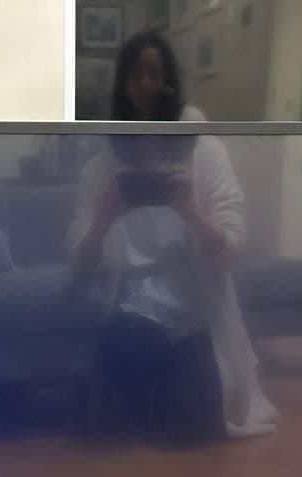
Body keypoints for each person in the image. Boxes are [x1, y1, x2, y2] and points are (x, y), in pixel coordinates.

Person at [69, 33, 277, 447]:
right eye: (136, 74)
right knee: (111, 428)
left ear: (168, 82)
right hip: (132, 304)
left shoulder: (206, 151)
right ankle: (150, 393)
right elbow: (81, 260)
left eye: (155, 74)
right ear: (123, 83)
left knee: (193, 429)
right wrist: (104, 221)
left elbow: (233, 250)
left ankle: (168, 391)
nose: (145, 84)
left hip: (197, 306)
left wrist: (191, 213)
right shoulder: (101, 166)